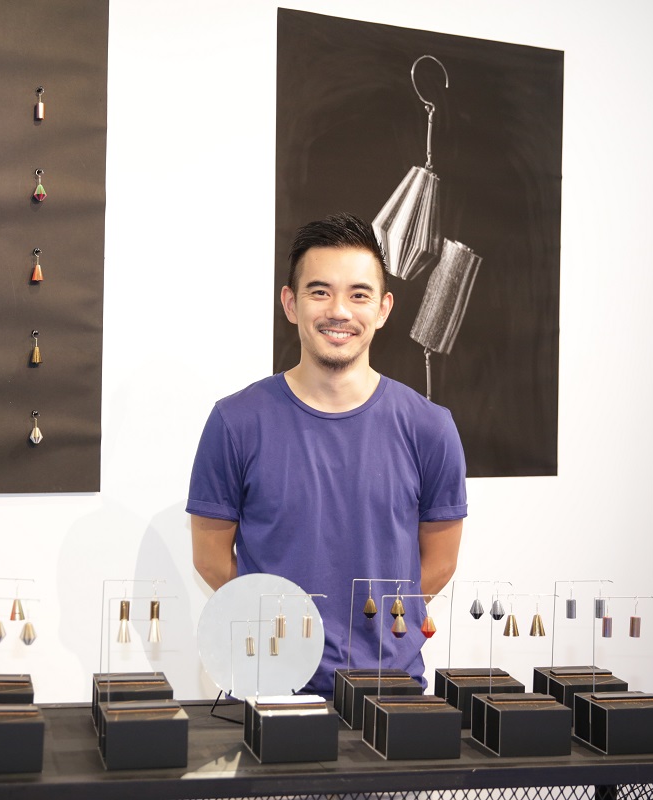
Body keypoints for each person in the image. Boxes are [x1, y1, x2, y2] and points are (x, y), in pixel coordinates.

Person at [187, 212, 467, 697]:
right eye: (320, 292)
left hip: (389, 690)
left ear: (383, 308)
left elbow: (440, 563)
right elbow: (211, 560)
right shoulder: (235, 422)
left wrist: (377, 628)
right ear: (290, 303)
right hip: (270, 688)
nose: (339, 311)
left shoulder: (430, 427)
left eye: (359, 295)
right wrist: (285, 636)